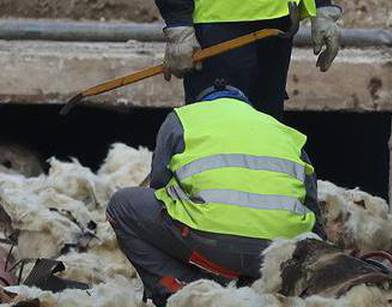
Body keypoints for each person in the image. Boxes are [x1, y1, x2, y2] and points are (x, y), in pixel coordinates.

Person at [106, 82, 324, 306]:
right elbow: (311, 206)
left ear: (202, 104)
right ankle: (244, 286)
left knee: (121, 206)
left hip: (212, 243)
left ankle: (182, 290)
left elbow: (159, 184)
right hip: (281, 253)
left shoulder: (184, 118)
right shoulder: (283, 131)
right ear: (246, 107)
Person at [154, 0, 342, 120]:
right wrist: (178, 24)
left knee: (266, 128)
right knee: (216, 129)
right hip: (217, 24)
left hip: (279, 21)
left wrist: (322, 7)